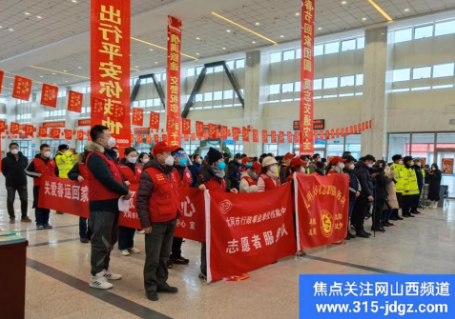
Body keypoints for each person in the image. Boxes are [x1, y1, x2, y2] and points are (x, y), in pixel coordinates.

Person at [85, 125, 132, 290]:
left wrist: (123, 184)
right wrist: (125, 190)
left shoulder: (107, 156)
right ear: (100, 140)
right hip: (101, 205)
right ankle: (96, 276)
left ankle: (104, 270)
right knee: (101, 240)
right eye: (108, 135)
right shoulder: (95, 157)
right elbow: (106, 179)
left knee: (110, 239)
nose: (111, 137)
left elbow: (114, 177)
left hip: (113, 204)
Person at [136, 141, 181, 301]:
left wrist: (176, 215)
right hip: (156, 222)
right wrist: (145, 223)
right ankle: (150, 286)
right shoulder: (149, 173)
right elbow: (141, 200)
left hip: (170, 219)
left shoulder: (172, 172)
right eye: (168, 154)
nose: (171, 156)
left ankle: (161, 282)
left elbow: (174, 195)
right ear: (159, 155)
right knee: (153, 257)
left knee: (164, 255)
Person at [196, 147, 237, 280]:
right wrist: (200, 186)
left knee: (218, 240)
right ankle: (204, 270)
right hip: (208, 213)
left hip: (220, 212)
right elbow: (197, 184)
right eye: (219, 160)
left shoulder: (221, 173)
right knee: (207, 241)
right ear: (213, 162)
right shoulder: (206, 173)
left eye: (222, 159)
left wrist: (230, 190)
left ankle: (217, 265)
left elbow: (222, 190)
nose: (222, 162)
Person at [25, 144, 59, 229]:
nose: (47, 152)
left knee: (47, 205)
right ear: (41, 151)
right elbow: (27, 171)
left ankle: (46, 222)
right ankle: (39, 223)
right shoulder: (35, 161)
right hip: (38, 186)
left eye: (49, 150)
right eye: (45, 150)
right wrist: (37, 175)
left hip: (49, 187)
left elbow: (56, 173)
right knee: (39, 205)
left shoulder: (52, 161)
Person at [168, 148, 192, 268]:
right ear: (173, 158)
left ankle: (176, 254)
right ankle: (166, 257)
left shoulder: (187, 170)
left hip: (183, 205)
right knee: (169, 233)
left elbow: (190, 186)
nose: (182, 157)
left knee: (179, 232)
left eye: (184, 154)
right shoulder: (169, 170)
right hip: (171, 204)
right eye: (179, 155)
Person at [117, 147, 142, 256]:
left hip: (136, 198)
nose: (134, 157)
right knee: (124, 222)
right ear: (126, 156)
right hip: (124, 197)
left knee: (132, 221)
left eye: (135, 155)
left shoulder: (138, 167)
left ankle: (130, 245)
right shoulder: (119, 167)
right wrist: (123, 184)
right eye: (131, 155)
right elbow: (116, 181)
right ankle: (122, 246)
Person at [2, 142, 32, 223]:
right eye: (13, 148)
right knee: (10, 200)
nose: (14, 149)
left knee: (24, 199)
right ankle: (12, 216)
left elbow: (25, 168)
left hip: (22, 182)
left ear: (18, 148)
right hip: (10, 183)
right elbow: (4, 171)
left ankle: (24, 216)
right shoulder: (5, 160)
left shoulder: (24, 158)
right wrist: (9, 176)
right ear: (10, 149)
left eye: (16, 147)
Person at [68, 152, 92, 243]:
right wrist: (77, 176)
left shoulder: (97, 165)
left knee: (92, 216)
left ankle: (90, 234)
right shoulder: (79, 165)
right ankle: (83, 235)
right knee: (83, 215)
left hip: (94, 193)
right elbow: (70, 174)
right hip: (84, 194)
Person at [353, 155, 376, 238]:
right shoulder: (361, 169)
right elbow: (363, 183)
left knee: (362, 214)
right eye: (371, 162)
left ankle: (361, 229)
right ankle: (359, 230)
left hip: (364, 194)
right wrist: (368, 194)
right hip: (362, 195)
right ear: (367, 161)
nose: (372, 164)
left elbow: (367, 181)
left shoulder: (365, 169)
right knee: (360, 214)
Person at [342, 155, 360, 239]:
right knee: (345, 215)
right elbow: (345, 185)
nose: (353, 164)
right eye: (351, 163)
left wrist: (359, 191)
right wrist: (354, 192)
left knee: (349, 216)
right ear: (346, 163)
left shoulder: (353, 172)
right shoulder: (343, 173)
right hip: (348, 196)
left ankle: (348, 231)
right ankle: (344, 232)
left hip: (354, 197)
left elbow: (357, 182)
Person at [55, 144, 73, 214]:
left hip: (69, 177)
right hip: (62, 177)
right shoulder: (58, 156)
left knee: (68, 194)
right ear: (61, 150)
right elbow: (63, 158)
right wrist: (69, 153)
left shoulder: (67, 156)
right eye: (66, 149)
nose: (67, 151)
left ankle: (66, 207)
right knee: (62, 194)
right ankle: (59, 209)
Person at [372, 160, 388, 232]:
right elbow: (384, 182)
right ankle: (376, 224)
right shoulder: (378, 173)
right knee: (378, 210)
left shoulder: (379, 173)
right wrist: (387, 178)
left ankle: (377, 223)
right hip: (378, 193)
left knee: (379, 210)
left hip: (380, 193)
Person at [391, 155, 405, 220]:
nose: (401, 161)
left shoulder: (400, 167)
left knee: (398, 202)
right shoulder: (393, 166)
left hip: (400, 188)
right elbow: (391, 176)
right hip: (395, 187)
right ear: (396, 160)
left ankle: (396, 214)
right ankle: (392, 215)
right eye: (400, 160)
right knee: (394, 202)